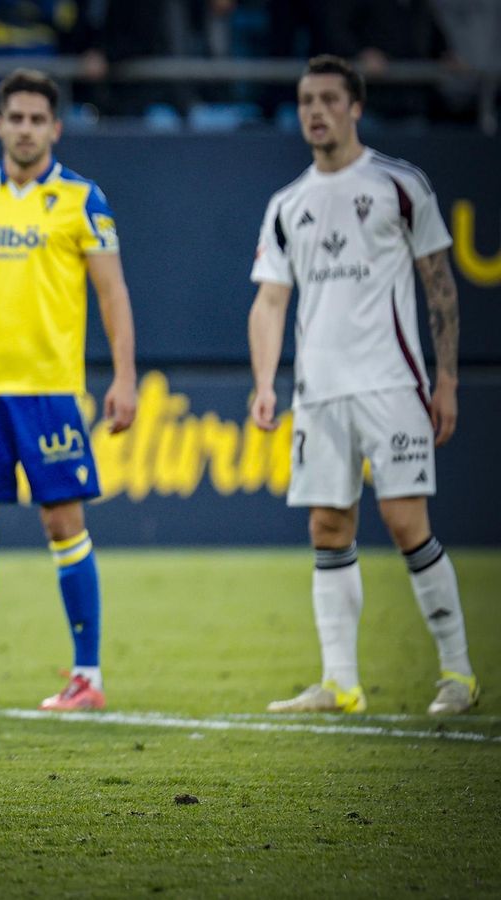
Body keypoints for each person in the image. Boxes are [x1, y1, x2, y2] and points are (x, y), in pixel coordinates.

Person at [248, 55, 477, 716]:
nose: (314, 112)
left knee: (406, 523)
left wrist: (447, 380)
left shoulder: (399, 185)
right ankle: (340, 683)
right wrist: (266, 384)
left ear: (355, 107)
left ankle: (457, 674)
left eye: (326, 99)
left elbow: (439, 285)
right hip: (318, 391)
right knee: (328, 526)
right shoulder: (287, 205)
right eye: (304, 101)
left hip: (391, 383)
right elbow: (269, 303)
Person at [0, 68, 137, 713]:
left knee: (64, 521)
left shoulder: (83, 199)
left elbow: (112, 293)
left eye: (36, 119)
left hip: (51, 389)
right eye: (14, 118)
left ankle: (88, 676)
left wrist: (125, 378)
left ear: (55, 127)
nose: (24, 129)